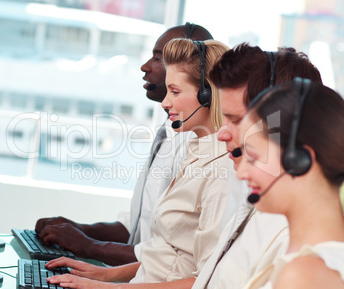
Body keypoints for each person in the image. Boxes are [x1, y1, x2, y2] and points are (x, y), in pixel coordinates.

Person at [44, 38, 245, 288]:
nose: (165, 103)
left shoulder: (222, 172)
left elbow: (206, 281)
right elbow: (169, 258)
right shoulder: (196, 153)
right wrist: (102, 275)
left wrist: (104, 288)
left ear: (207, 94)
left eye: (175, 91)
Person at [34, 23, 214, 266]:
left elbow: (172, 254)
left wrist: (89, 246)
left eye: (158, 58)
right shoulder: (169, 130)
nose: (145, 66)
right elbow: (137, 225)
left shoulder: (195, 143)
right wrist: (75, 230)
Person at [192, 43, 323, 289]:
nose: (221, 134)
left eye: (237, 120)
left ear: (283, 122)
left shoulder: (297, 242)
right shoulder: (257, 203)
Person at [239, 79, 344, 288]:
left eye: (252, 157)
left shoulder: (305, 275)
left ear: (298, 160)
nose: (241, 173)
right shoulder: (308, 258)